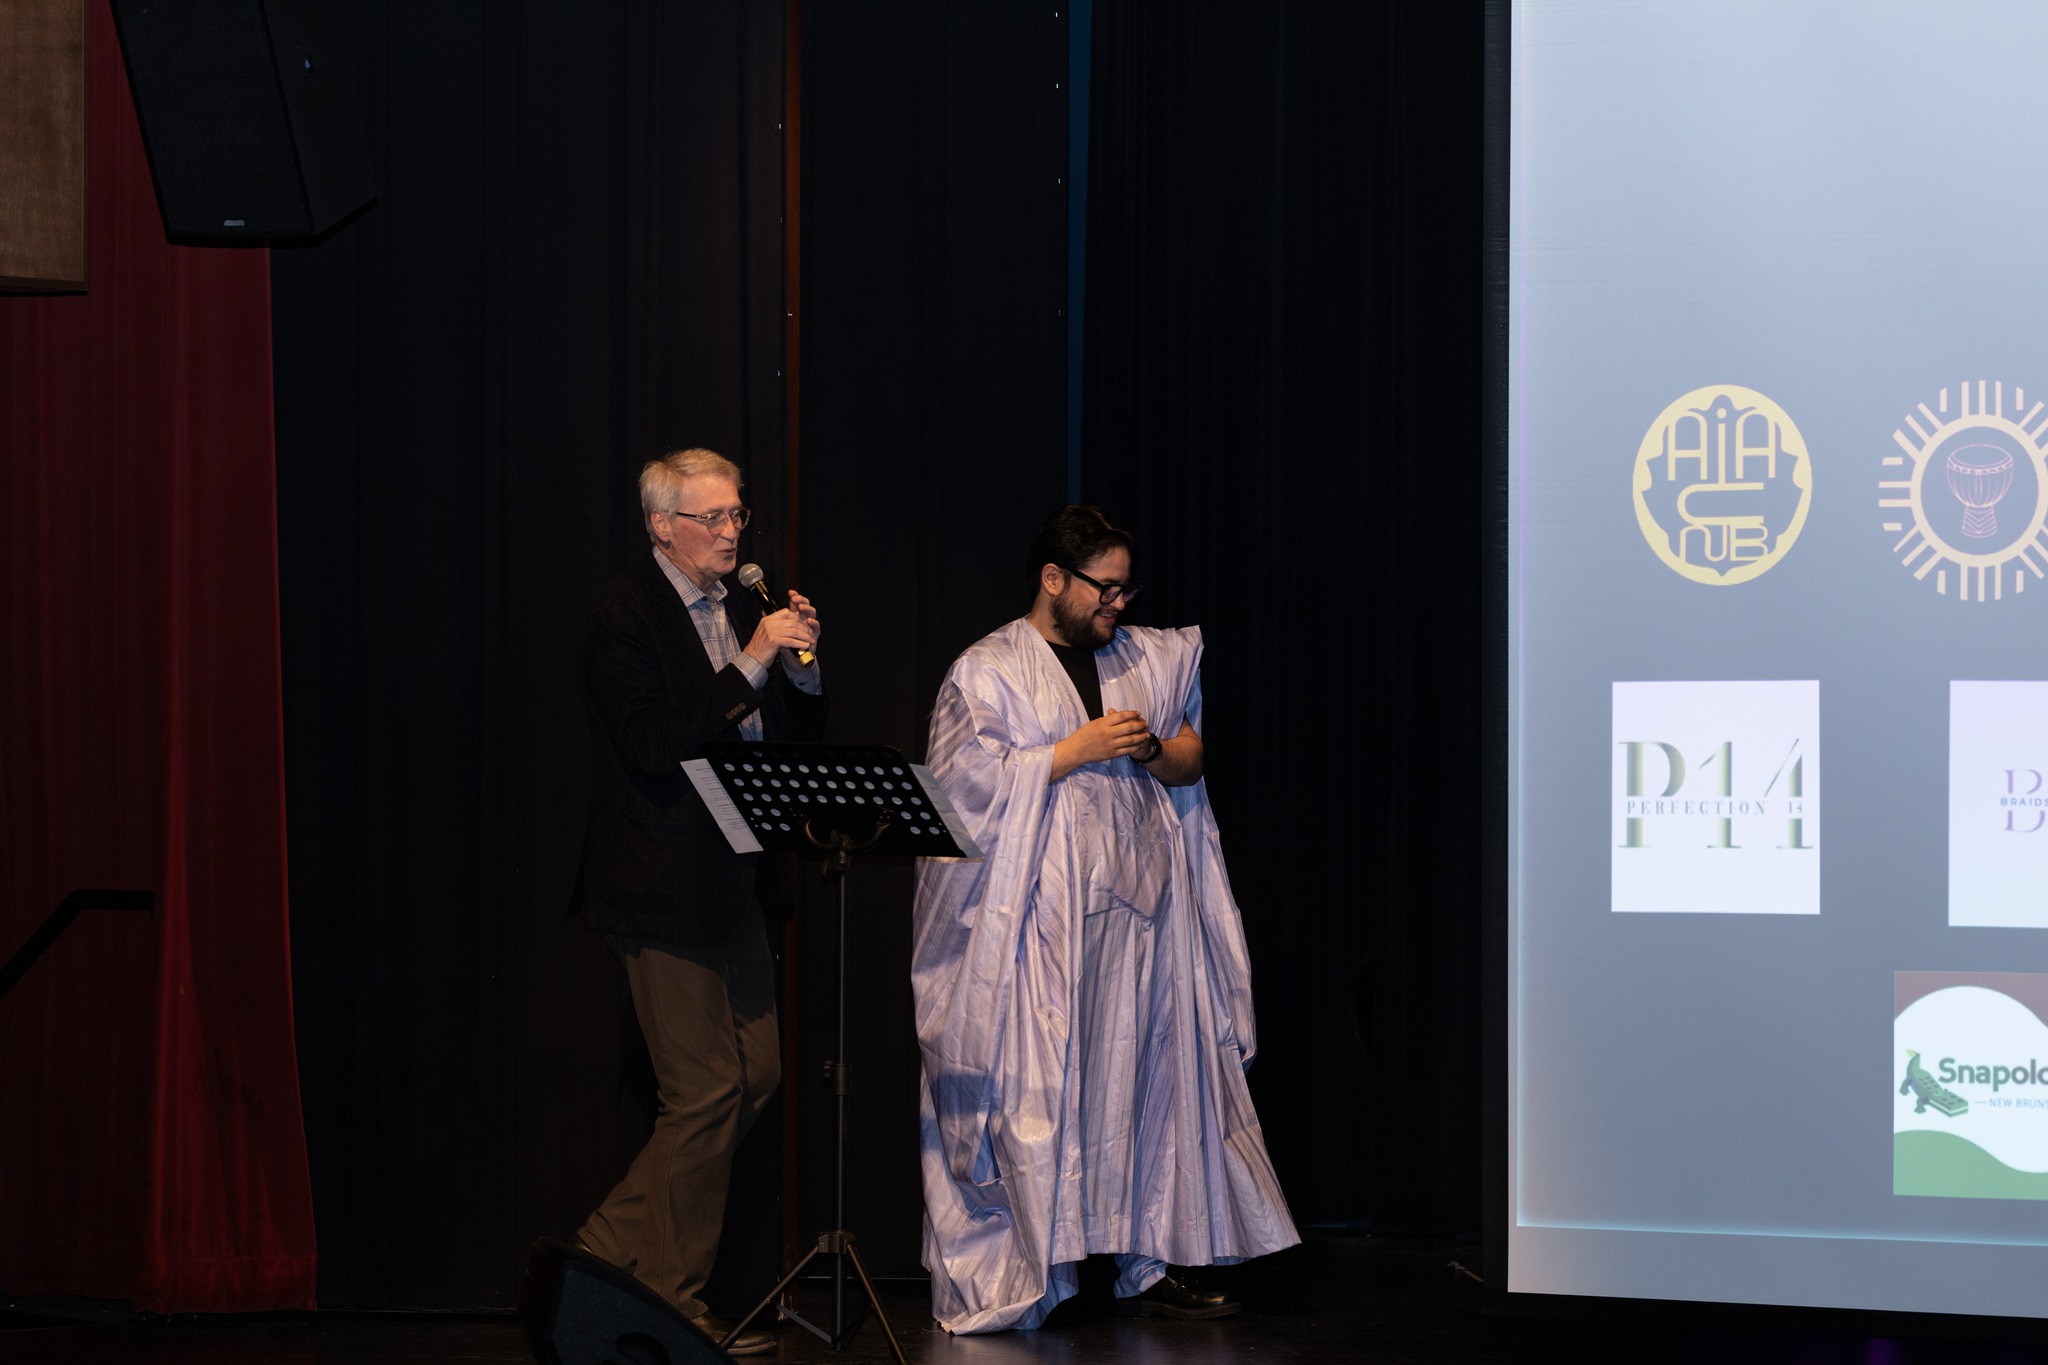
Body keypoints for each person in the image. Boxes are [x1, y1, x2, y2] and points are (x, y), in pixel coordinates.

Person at [911, 504, 1298, 1334]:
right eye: (1105, 589)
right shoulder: (987, 671)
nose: (1119, 603)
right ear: (1053, 578)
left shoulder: (1146, 657)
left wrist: (1151, 748)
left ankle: (1151, 1257)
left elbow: (1190, 757)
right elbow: (957, 796)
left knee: (1147, 1087)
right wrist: (1068, 753)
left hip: (1143, 916)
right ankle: (1033, 1266)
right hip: (1037, 925)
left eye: (1127, 589)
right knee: (1042, 1091)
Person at [569, 448, 824, 1356]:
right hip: (659, 884)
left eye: (736, 515)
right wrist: (750, 664)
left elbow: (778, 739)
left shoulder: (741, 606)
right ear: (661, 525)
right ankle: (668, 1298)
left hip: (737, 878)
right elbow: (653, 743)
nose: (729, 533)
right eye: (710, 518)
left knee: (756, 1075)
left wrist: (797, 670)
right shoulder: (624, 613)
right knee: (705, 1088)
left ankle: (604, 1250)